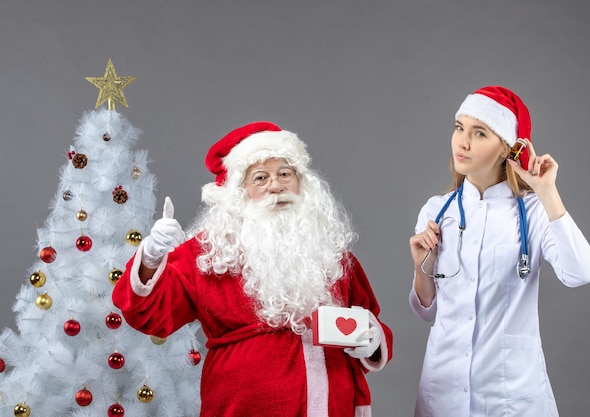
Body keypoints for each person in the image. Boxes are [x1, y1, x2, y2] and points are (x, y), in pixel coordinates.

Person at [112, 121, 393, 417]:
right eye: (260, 177)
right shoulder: (209, 252)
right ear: (238, 192)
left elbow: (368, 320)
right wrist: (152, 257)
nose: (276, 185)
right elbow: (149, 315)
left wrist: (373, 338)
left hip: (332, 406)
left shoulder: (329, 252)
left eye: (285, 173)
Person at [408, 86, 590, 417]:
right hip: (443, 391)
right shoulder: (436, 212)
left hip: (511, 395)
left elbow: (581, 273)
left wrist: (547, 192)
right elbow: (429, 313)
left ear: (506, 149)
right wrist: (421, 267)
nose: (462, 142)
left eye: (479, 133)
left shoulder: (535, 213)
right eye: (459, 128)